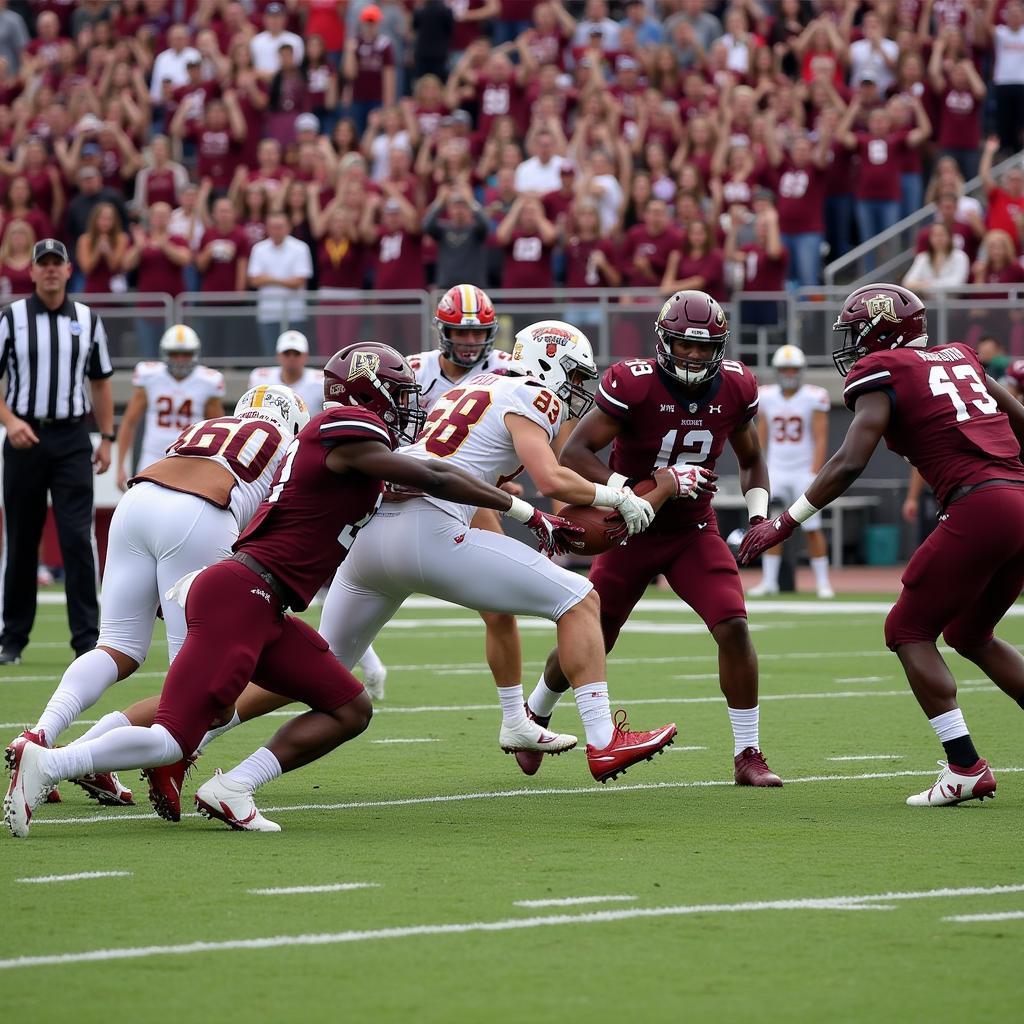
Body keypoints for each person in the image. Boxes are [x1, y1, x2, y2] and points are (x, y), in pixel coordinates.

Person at [3, 343, 586, 836]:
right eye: (397, 390)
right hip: (242, 591)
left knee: (350, 706)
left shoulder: (359, 450)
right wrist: (525, 511)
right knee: (173, 738)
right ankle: (50, 761)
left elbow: (421, 480)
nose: (409, 402)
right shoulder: (343, 428)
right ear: (366, 393)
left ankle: (235, 786)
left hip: (264, 602)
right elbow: (431, 473)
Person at [738, 284, 1024, 807]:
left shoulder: (884, 370)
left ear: (879, 329)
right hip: (1019, 500)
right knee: (969, 632)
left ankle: (964, 765)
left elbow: (849, 461)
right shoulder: (961, 355)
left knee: (907, 629)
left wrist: (786, 523)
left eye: (855, 332)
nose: (850, 344)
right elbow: (1020, 422)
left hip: (979, 505)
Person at [7, 385, 308, 812]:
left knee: (118, 646)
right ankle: (149, 759)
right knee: (201, 682)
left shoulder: (206, 425)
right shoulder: (286, 448)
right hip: (202, 513)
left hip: (138, 502)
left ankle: (38, 735)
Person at [526, 292, 783, 787]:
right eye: (684, 345)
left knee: (734, 627)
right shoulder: (633, 383)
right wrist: (627, 497)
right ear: (664, 343)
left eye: (703, 347)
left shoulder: (735, 385)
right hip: (630, 528)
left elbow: (751, 458)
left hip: (692, 530)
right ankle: (535, 714)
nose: (692, 355)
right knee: (595, 635)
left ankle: (748, 753)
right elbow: (576, 452)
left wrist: (757, 518)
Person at [0, 239, 114, 665]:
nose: (50, 271)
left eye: (56, 264)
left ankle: (87, 639)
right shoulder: (11, 319)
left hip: (71, 438)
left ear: (68, 271)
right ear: (30, 272)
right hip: (24, 437)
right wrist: (10, 422)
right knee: (22, 538)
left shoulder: (87, 319)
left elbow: (101, 382)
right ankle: (12, 638)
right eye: (42, 264)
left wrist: (107, 437)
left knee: (76, 538)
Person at [748, 345, 833, 599]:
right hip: (776, 470)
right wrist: (761, 468)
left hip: (803, 471)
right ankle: (770, 580)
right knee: (770, 525)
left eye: (793, 369)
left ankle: (822, 582)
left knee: (812, 526)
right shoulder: (767, 396)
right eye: (784, 369)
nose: (788, 374)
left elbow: (820, 438)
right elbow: (761, 437)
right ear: (776, 371)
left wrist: (814, 472)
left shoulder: (813, 397)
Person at [115, 325, 226, 490]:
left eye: (186, 354)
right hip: (153, 455)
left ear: (195, 354)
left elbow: (218, 430)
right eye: (175, 354)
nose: (180, 359)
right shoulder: (150, 376)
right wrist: (120, 466)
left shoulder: (209, 381)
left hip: (190, 458)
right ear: (165, 353)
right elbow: (130, 421)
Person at [247, 211, 314, 356]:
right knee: (271, 356)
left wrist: (269, 279)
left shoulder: (300, 248)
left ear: (288, 227)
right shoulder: (259, 249)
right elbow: (254, 280)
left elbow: (299, 281)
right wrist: (285, 280)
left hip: (294, 312)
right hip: (268, 312)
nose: (276, 230)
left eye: (280, 226)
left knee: (295, 356)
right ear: (267, 228)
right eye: (273, 226)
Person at [248, 330, 324, 416]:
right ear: (278, 355)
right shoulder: (261, 378)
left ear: (305, 356)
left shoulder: (321, 382)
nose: (292, 358)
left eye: (297, 353)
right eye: (286, 353)